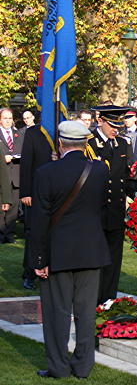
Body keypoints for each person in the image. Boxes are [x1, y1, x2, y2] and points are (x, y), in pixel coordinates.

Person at [30, 121, 110, 379]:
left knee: (57, 313)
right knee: (86, 313)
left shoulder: (46, 173)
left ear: (61, 143)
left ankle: (58, 366)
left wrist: (39, 258)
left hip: (58, 251)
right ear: (86, 143)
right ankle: (83, 365)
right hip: (91, 250)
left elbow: (39, 221)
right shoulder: (99, 170)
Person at [86, 105, 137, 303]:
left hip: (115, 211)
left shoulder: (122, 144)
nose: (116, 129)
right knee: (94, 260)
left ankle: (109, 299)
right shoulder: (89, 144)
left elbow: (124, 176)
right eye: (112, 124)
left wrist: (136, 192)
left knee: (113, 260)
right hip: (95, 212)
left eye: (119, 124)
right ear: (100, 121)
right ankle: (93, 299)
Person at [19, 124, 53, 290]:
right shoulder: (33, 133)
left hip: (59, 195)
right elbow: (26, 163)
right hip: (36, 193)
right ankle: (30, 274)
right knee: (34, 234)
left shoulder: (64, 129)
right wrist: (26, 192)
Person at [0, 107, 24, 243]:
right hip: (1, 174)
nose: (8, 121)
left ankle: (9, 235)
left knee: (14, 207)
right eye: (5, 118)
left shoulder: (18, 134)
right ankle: (0, 234)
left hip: (15, 174)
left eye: (10, 118)